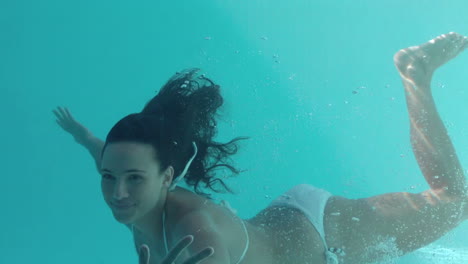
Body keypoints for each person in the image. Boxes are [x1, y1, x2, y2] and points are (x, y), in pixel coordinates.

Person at [54, 32, 468, 264]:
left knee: (454, 201)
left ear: (167, 178)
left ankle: (417, 75)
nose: (117, 192)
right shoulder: (133, 198)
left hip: (322, 239)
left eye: (132, 179)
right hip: (280, 226)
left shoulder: (195, 234)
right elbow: (105, 158)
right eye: (108, 176)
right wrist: (84, 137)